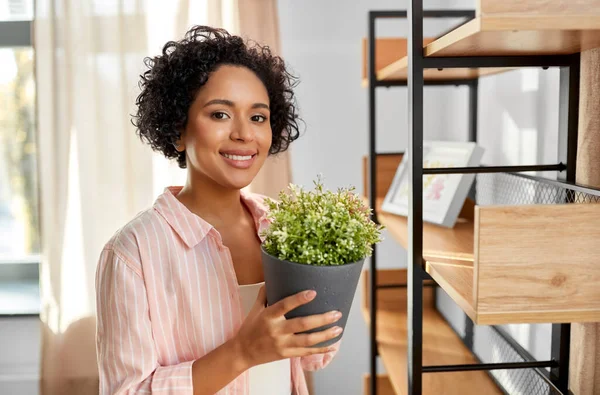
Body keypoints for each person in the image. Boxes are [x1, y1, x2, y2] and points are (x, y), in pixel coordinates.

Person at [95, 25, 341, 395]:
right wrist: (243, 352)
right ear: (178, 128)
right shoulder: (133, 253)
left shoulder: (283, 226)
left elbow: (312, 357)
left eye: (258, 117)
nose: (244, 134)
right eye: (220, 115)